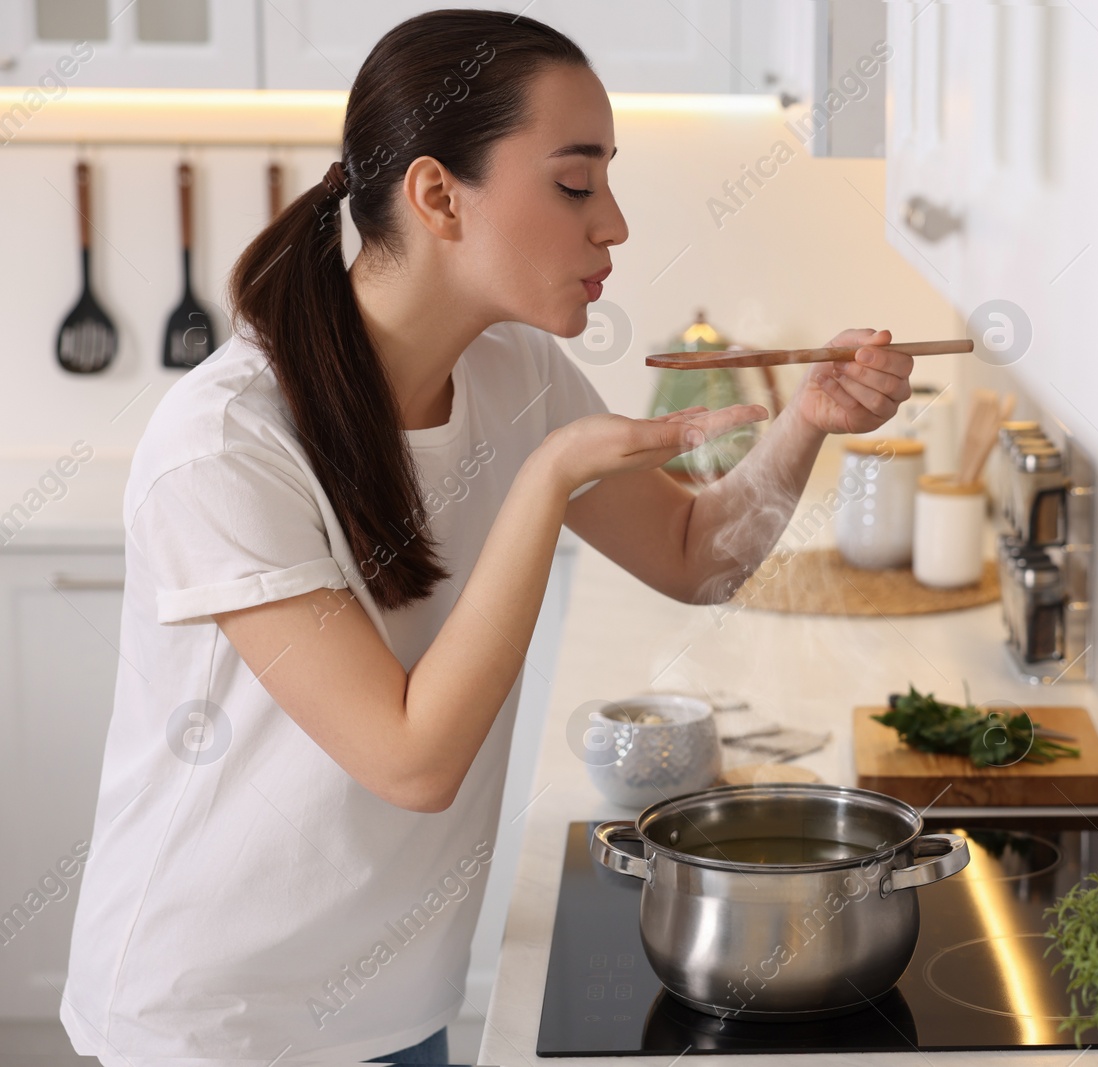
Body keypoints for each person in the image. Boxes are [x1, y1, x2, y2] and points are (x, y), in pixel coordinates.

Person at [59, 10, 914, 1063]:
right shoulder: (227, 445)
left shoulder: (515, 372)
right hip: (223, 1020)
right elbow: (412, 760)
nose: (613, 224)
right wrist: (550, 475)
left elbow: (698, 556)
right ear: (433, 195)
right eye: (573, 183)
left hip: (400, 997)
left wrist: (803, 424)